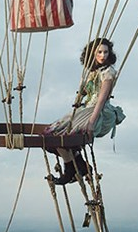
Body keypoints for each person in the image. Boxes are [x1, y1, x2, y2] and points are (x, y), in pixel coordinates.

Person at [44, 38, 125, 185]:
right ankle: (78, 166)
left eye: (106, 52)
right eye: (99, 52)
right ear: (92, 54)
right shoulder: (90, 73)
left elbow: (101, 99)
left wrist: (91, 121)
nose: (103, 56)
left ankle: (71, 170)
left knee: (64, 136)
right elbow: (83, 93)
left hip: (98, 111)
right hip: (86, 108)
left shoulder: (108, 73)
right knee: (52, 134)